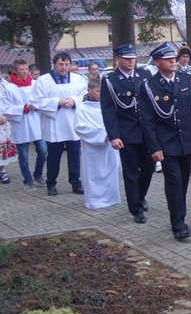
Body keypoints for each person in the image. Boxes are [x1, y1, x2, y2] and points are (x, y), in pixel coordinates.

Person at [139, 43, 191, 240]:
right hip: (165, 143)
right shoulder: (149, 86)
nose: (172, 60)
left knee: (183, 181)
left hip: (186, 140)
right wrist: (153, 147)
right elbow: (147, 120)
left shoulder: (186, 79)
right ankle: (178, 224)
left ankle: (179, 213)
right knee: (174, 181)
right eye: (167, 58)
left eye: (173, 57)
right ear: (157, 62)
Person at [100, 43, 154, 224]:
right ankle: (136, 208)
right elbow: (108, 110)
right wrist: (114, 135)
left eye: (133, 58)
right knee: (131, 172)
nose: (131, 61)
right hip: (126, 132)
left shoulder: (144, 75)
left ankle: (139, 195)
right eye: (127, 58)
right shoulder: (110, 80)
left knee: (149, 167)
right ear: (118, 59)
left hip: (146, 131)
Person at [30, 52, 88, 196]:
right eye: (60, 64)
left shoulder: (78, 79)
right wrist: (58, 102)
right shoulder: (43, 80)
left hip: (72, 123)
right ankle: (51, 184)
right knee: (54, 157)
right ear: (54, 64)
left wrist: (74, 101)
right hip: (53, 124)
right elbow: (36, 100)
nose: (63, 67)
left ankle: (75, 183)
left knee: (74, 156)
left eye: (66, 64)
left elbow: (84, 96)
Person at [1, 59, 46, 190]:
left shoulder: (35, 83)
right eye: (22, 69)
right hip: (21, 125)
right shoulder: (10, 88)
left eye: (26, 69)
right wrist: (24, 108)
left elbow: (43, 99)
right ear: (15, 71)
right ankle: (28, 181)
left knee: (43, 151)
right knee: (24, 156)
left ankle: (38, 174)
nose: (25, 72)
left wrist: (37, 106)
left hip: (36, 122)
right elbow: (6, 108)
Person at [76, 78, 121, 210]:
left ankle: (111, 198)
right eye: (97, 91)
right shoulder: (82, 108)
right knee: (94, 173)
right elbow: (80, 128)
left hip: (110, 146)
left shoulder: (109, 105)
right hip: (93, 147)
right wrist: (103, 134)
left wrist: (113, 133)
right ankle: (95, 200)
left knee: (111, 170)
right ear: (89, 90)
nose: (100, 94)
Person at [0, 82, 18, 183]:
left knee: (1, 147)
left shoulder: (4, 85)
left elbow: (11, 103)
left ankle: (2, 171)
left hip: (3, 122)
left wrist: (6, 115)